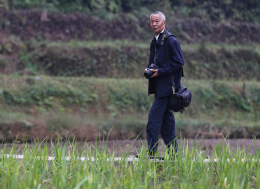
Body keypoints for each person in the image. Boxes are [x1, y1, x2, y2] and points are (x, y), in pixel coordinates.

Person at [144, 11, 184, 157]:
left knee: (153, 119)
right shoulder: (155, 41)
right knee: (167, 124)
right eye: (152, 21)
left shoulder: (171, 40)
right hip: (160, 88)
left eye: (157, 21)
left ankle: (151, 153)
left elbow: (179, 62)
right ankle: (174, 154)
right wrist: (149, 69)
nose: (154, 24)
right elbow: (154, 62)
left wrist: (160, 72)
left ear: (164, 23)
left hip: (168, 88)